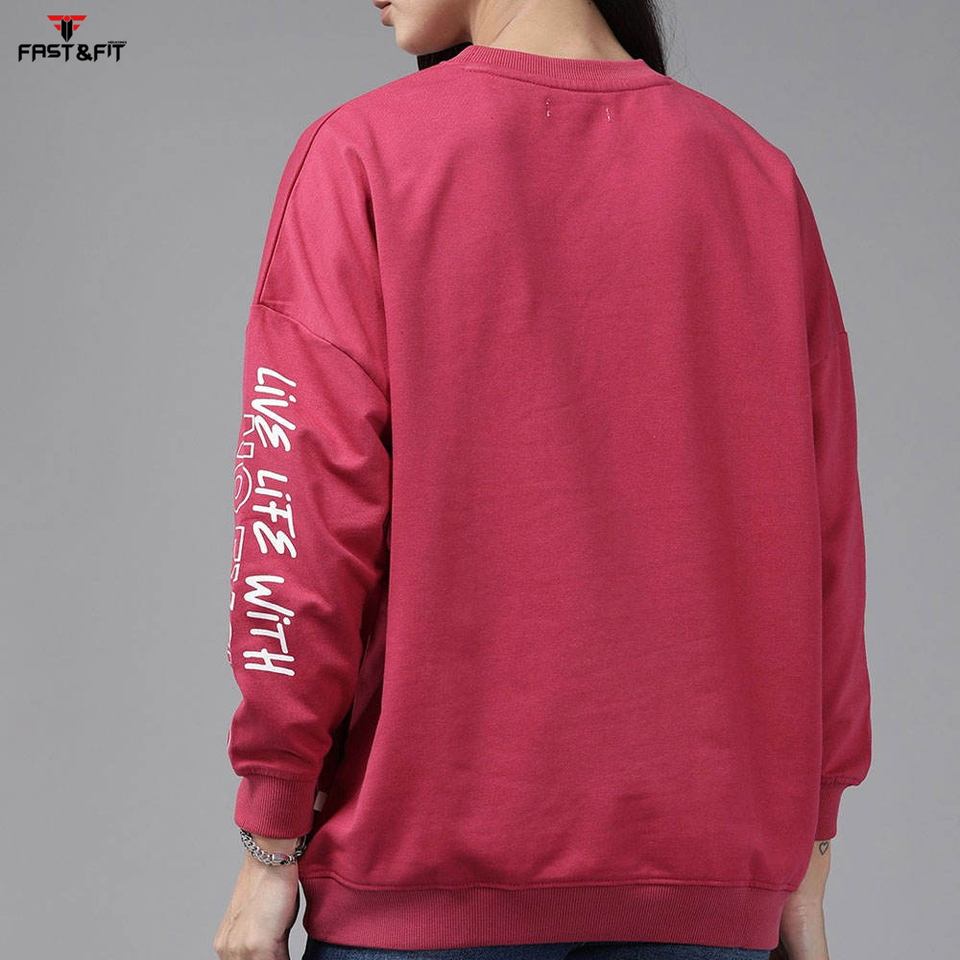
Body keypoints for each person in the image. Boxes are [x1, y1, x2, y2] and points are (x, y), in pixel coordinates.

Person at [213, 1, 872, 959]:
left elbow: (298, 527)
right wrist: (811, 840)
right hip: (709, 894)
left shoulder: (363, 154)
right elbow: (826, 539)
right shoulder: (757, 177)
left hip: (425, 890)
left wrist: (270, 836)